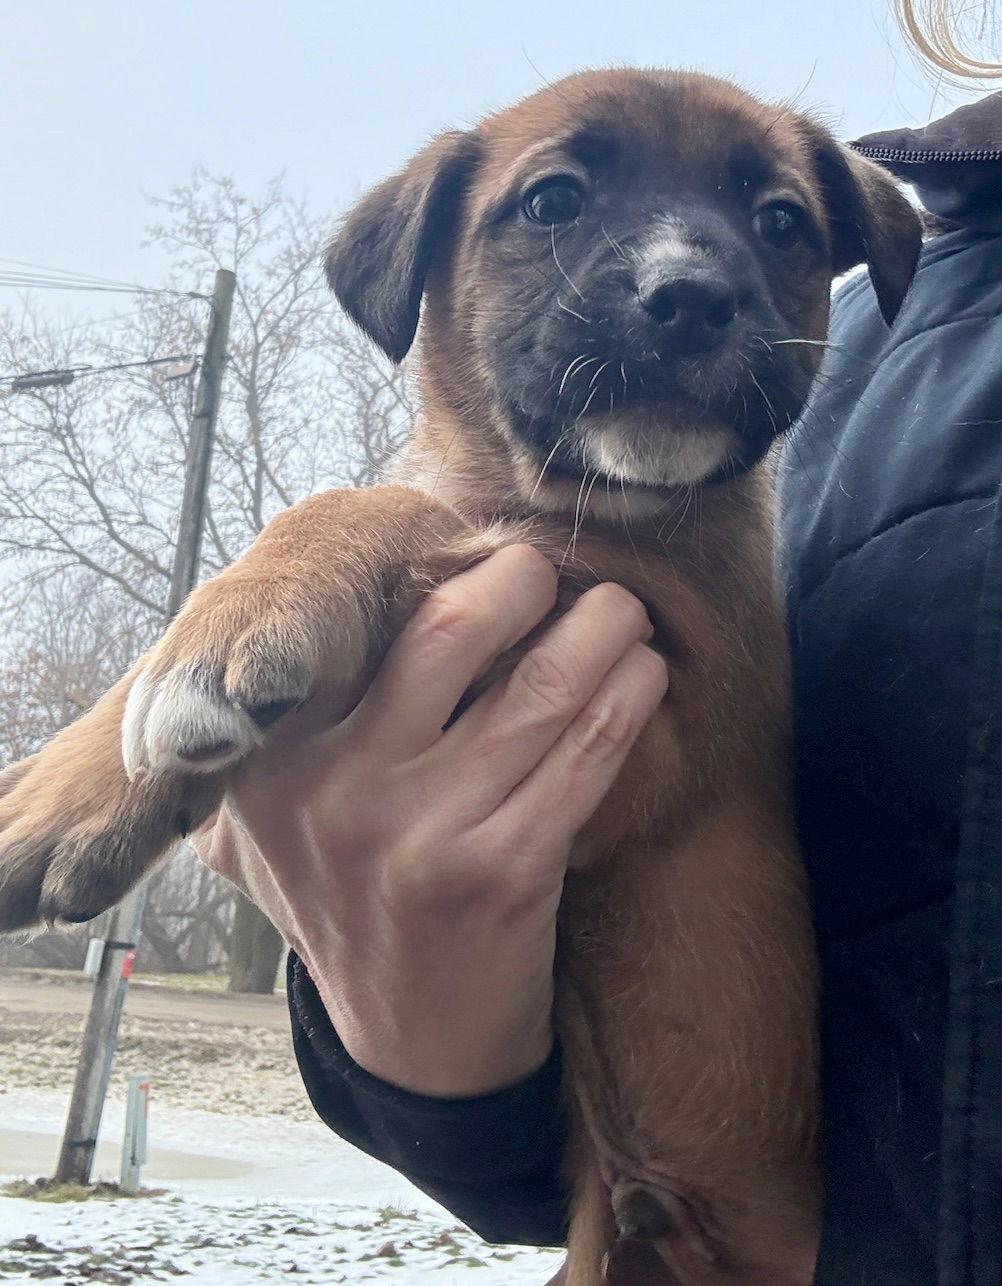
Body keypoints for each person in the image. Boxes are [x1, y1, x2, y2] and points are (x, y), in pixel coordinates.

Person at [196, 3, 1002, 1280]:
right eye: (558, 199)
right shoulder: (891, 373)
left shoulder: (817, 435)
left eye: (780, 224)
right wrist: (434, 1073)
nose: (689, 273)